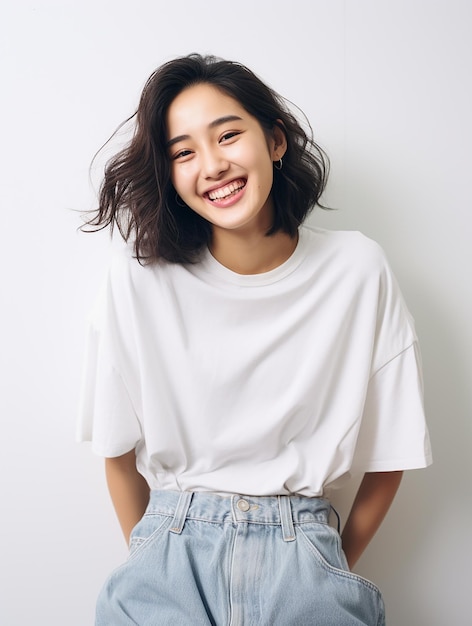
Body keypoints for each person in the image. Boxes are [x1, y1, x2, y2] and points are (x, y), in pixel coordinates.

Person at [78, 53, 432, 625]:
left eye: (228, 135)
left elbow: (391, 454)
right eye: (184, 152)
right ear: (169, 174)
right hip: (167, 559)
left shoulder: (357, 269)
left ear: (275, 140)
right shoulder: (137, 279)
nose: (212, 164)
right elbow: (116, 455)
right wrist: (154, 553)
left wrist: (328, 563)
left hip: (306, 561)